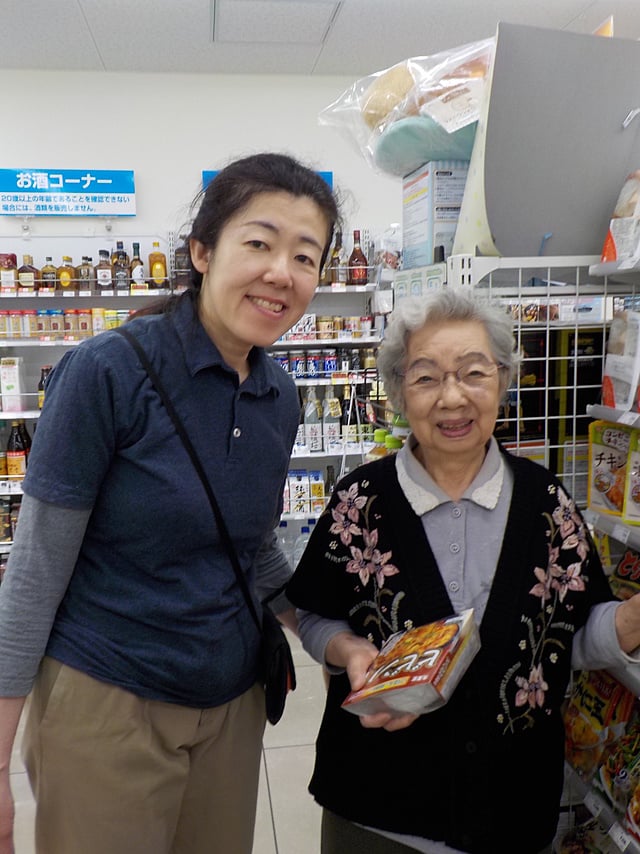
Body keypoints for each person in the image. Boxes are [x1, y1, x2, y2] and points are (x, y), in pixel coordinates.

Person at [0, 151, 340, 854]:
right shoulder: (106, 372)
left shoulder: (280, 395)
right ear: (201, 251)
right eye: (260, 243)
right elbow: (33, 577)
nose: (283, 271)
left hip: (230, 704)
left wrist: (340, 637)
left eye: (306, 256)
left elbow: (251, 551)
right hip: (107, 700)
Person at [287, 287, 640, 854]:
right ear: (400, 391)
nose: (452, 398)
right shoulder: (360, 502)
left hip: (514, 814)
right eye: (426, 377)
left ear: (503, 378)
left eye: (473, 373)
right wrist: (349, 652)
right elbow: (313, 614)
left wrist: (627, 622)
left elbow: (572, 635)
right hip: (377, 814)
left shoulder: (546, 505)